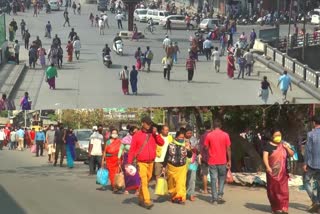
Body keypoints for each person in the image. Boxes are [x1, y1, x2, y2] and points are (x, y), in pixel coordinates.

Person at [126, 116, 164, 209]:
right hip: (141, 162)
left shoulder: (153, 134)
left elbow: (161, 143)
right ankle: (147, 200)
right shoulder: (137, 135)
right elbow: (132, 150)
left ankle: (140, 197)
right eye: (147, 123)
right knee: (144, 181)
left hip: (151, 162)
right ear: (142, 123)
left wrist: (156, 134)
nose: (149, 125)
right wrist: (129, 162)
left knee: (146, 181)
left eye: (150, 123)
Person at [263, 129, 293, 214]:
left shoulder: (284, 144)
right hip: (272, 172)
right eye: (276, 135)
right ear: (272, 136)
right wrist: (268, 167)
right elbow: (265, 157)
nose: (278, 137)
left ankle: (284, 208)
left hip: (283, 172)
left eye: (279, 135)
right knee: (273, 190)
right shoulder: (268, 146)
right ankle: (276, 208)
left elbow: (292, 154)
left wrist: (287, 148)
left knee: (284, 190)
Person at [204, 119, 231, 204]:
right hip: (223, 161)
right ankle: (220, 194)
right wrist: (229, 160)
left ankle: (214, 198)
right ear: (221, 126)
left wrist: (209, 149)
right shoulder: (225, 135)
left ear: (213, 126)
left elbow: (205, 147)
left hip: (212, 161)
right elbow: (228, 149)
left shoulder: (209, 135)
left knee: (213, 179)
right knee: (222, 178)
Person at [164, 130, 192, 204]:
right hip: (171, 167)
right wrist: (164, 167)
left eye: (183, 137)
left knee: (181, 183)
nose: (182, 139)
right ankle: (174, 196)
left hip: (182, 167)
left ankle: (181, 198)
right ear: (176, 137)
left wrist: (188, 149)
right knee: (172, 184)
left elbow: (190, 155)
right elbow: (166, 156)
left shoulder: (186, 144)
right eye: (180, 137)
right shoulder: (170, 145)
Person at [304, 115, 320, 213]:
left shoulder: (310, 134)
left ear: (314, 123)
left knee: (306, 181)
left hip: (312, 164)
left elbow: (308, 150)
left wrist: (305, 163)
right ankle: (318, 203)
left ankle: (315, 200)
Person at [118, 126, 140, 194]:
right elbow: (121, 149)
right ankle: (127, 189)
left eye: (137, 131)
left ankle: (137, 189)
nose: (137, 132)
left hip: (136, 158)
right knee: (127, 173)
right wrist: (118, 158)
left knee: (136, 174)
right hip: (127, 157)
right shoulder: (125, 139)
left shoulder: (138, 138)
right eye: (135, 131)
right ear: (131, 132)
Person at [199, 121, 211, 194]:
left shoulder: (202, 136)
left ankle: (205, 190)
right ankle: (215, 189)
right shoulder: (213, 135)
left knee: (204, 174)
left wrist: (200, 155)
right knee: (214, 174)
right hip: (213, 157)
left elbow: (201, 147)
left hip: (204, 157)